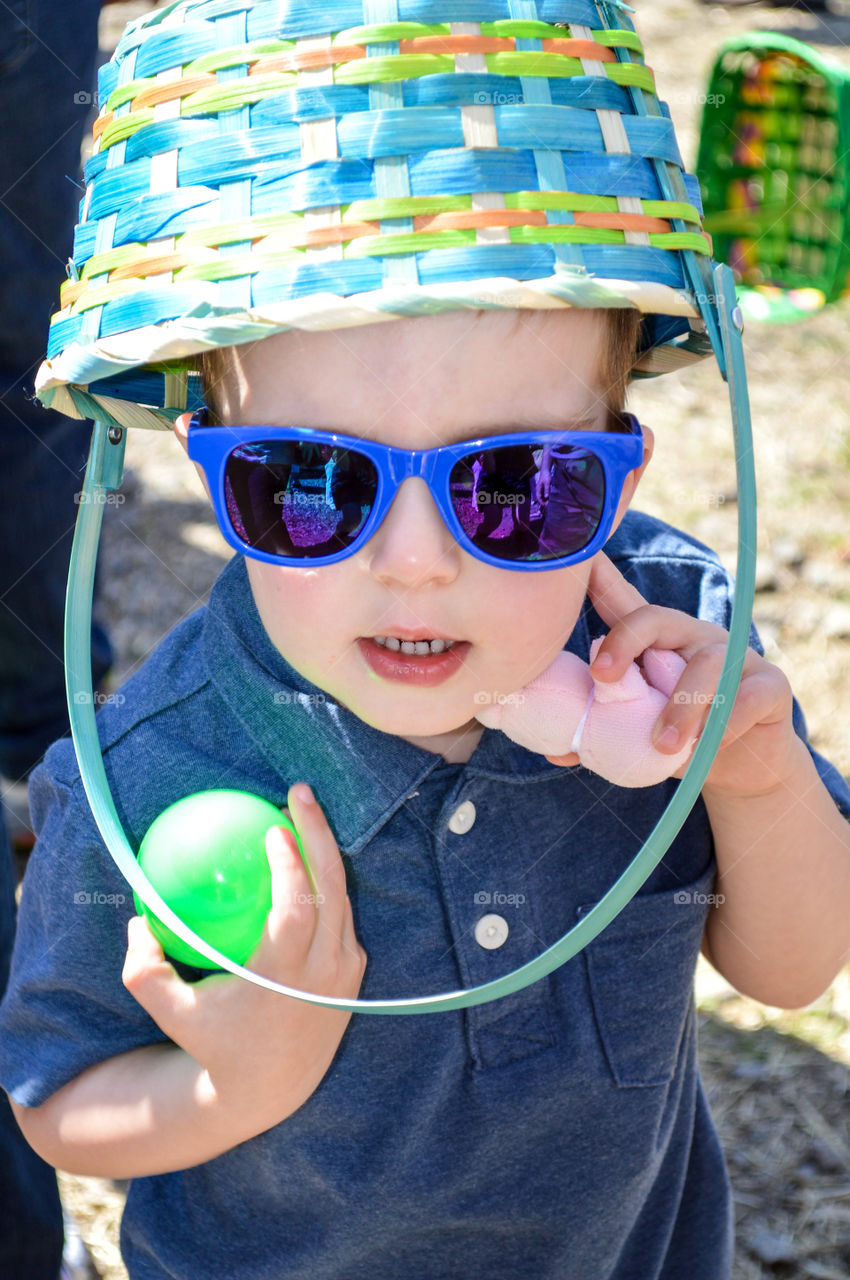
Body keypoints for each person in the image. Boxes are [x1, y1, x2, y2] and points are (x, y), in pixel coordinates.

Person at [1, 3, 849, 1278]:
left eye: (518, 485)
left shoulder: (669, 641)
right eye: (306, 481)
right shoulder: (153, 770)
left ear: (621, 474)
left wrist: (759, 776)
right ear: (203, 471)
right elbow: (59, 1098)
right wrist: (235, 1081)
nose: (413, 560)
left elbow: (789, 970)